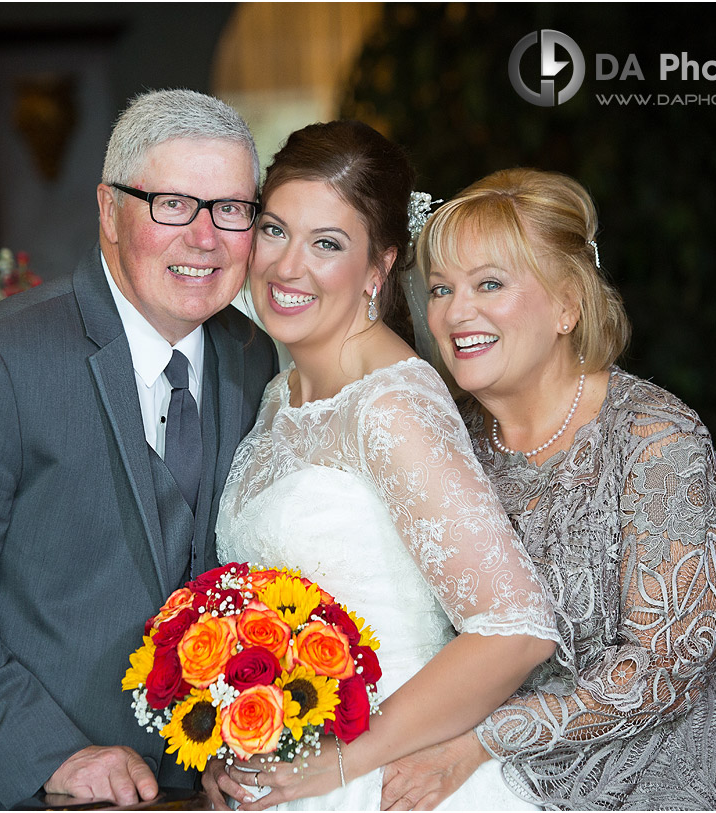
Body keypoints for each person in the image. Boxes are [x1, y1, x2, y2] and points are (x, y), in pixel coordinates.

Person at [0, 89, 278, 810]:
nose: (206, 237)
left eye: (232, 208)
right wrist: (51, 754)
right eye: (173, 203)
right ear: (108, 210)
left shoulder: (253, 359)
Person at [381, 167, 716, 810]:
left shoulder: (656, 440)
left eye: (490, 283)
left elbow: (661, 670)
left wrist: (480, 744)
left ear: (568, 304)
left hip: (668, 778)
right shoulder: (441, 439)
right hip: (497, 784)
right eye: (440, 289)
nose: (456, 313)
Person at [203, 120, 560, 811]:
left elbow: (516, 628)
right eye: (275, 230)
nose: (287, 266)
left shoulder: (391, 402)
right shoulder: (277, 393)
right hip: (294, 775)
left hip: (383, 781)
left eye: (327, 244)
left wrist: (345, 761)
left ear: (378, 269)